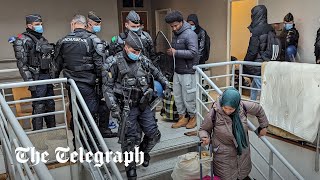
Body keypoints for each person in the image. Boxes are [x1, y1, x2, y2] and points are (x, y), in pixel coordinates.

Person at [102, 31, 171, 180]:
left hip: (144, 105)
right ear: (126, 47)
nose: (137, 54)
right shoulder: (113, 62)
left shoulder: (143, 60)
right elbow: (107, 89)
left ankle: (143, 152)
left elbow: (157, 73)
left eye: (139, 51)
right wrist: (114, 107)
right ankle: (130, 169)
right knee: (129, 140)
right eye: (134, 51)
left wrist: (166, 85)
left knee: (154, 135)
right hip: (126, 107)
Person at [53, 14, 106, 150]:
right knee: (91, 115)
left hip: (71, 85)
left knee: (76, 113)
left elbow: (56, 65)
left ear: (73, 23)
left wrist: (53, 81)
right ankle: (94, 147)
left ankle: (78, 144)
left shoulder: (63, 41)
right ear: (85, 24)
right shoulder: (93, 40)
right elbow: (100, 66)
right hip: (88, 85)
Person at [199, 87, 269, 180]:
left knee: (242, 175)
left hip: (242, 153)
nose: (227, 111)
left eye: (231, 109)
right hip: (223, 155)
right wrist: (204, 137)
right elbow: (203, 129)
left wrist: (263, 126)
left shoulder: (242, 107)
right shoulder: (214, 113)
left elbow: (259, 109)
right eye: (225, 108)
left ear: (236, 105)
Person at [12, 14, 56, 130]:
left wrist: (53, 76)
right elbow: (22, 65)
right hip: (36, 78)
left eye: (41, 24)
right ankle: (39, 135)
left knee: (50, 105)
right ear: (29, 25)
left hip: (47, 76)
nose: (40, 27)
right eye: (37, 25)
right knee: (39, 106)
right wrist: (30, 82)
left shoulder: (42, 39)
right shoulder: (22, 40)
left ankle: (53, 132)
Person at [165, 10, 199, 129]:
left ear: (181, 22)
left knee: (188, 97)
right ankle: (182, 118)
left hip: (188, 71)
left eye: (175, 25)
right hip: (177, 70)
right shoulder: (176, 33)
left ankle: (193, 117)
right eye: (171, 26)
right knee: (178, 97)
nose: (174, 28)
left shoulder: (190, 34)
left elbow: (194, 53)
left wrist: (176, 52)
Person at [86, 11, 117, 138]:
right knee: (92, 108)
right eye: (96, 24)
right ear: (89, 24)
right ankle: (93, 135)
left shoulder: (97, 39)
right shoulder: (87, 38)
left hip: (100, 78)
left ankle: (103, 130)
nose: (98, 26)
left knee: (104, 105)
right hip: (90, 78)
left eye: (99, 24)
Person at [243, 5, 273, 101]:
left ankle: (264, 109)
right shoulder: (270, 28)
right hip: (266, 62)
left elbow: (252, 51)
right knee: (255, 86)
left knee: (261, 88)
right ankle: (252, 104)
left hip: (257, 65)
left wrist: (245, 63)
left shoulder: (257, 30)